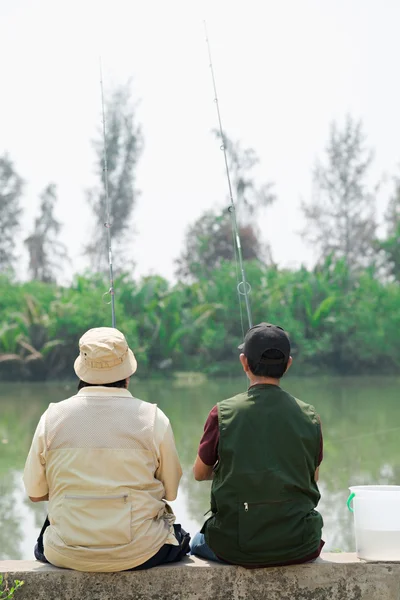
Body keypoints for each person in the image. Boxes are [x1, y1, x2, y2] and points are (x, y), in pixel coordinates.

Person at [23, 327, 190, 572]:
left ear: (82, 368)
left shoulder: (52, 418)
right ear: (127, 373)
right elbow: (171, 491)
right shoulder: (153, 418)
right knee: (181, 537)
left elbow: (35, 493)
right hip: (141, 551)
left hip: (66, 552)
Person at [190, 322, 323, 567]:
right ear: (288, 364)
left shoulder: (221, 413)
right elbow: (311, 475)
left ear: (244, 363)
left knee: (192, 544)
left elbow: (200, 473)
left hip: (234, 546)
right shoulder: (310, 416)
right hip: (300, 544)